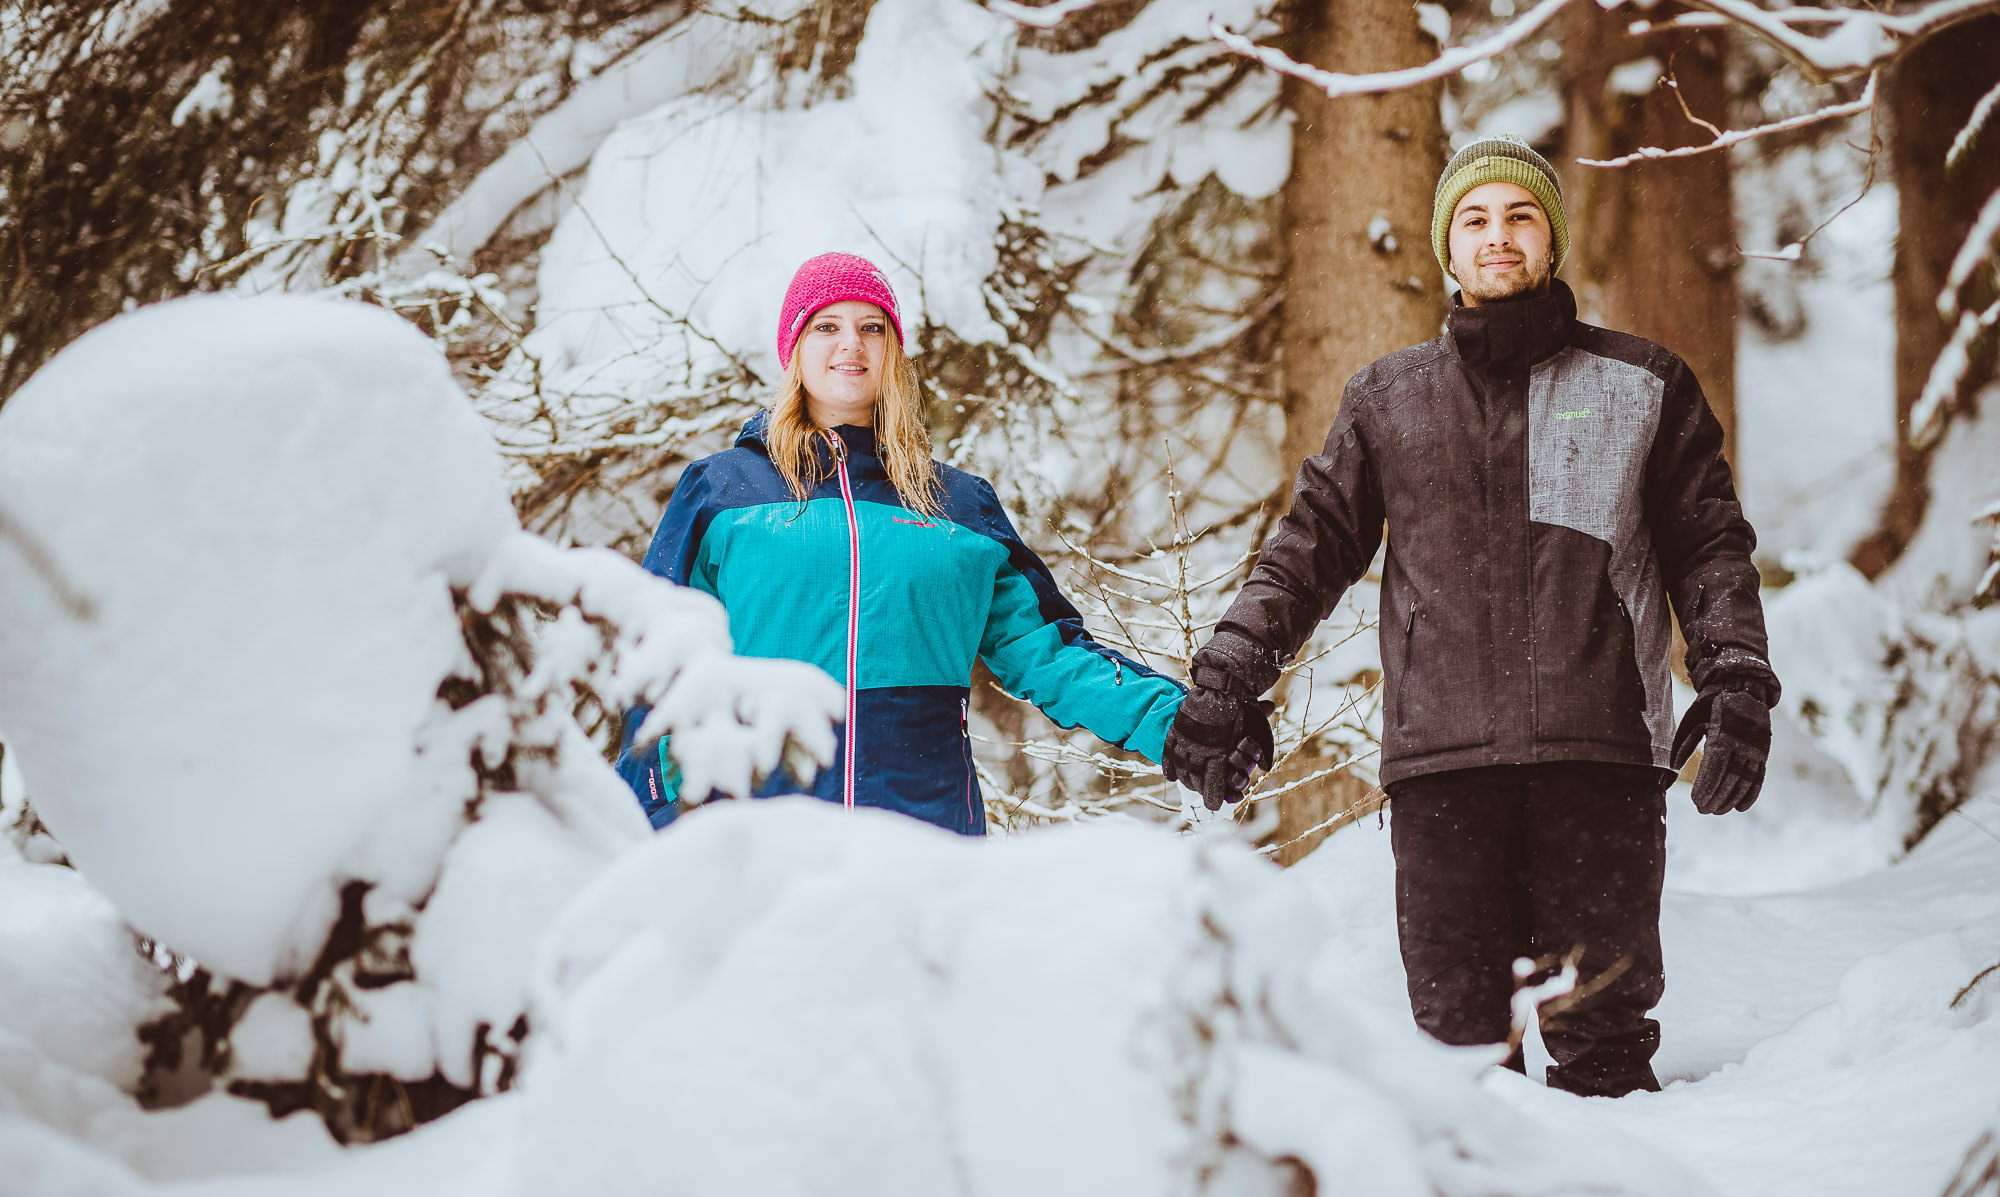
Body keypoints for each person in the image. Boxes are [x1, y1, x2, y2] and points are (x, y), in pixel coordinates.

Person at [1161, 133, 1779, 1097]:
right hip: (1444, 771)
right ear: (1448, 249)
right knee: (1461, 1060)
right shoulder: (1387, 399)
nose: (1498, 235)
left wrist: (1737, 676)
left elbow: (1709, 545)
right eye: (1475, 219)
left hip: (1599, 760)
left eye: (1520, 215)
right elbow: (1308, 550)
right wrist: (1224, 680)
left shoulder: (1643, 385)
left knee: (1603, 1041)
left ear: (1552, 239)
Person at [618, 251, 1184, 835]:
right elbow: (656, 658)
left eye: (871, 328)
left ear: (893, 351)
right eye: (827, 327)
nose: (851, 346)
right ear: (795, 348)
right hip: (758, 846)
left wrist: (1179, 724)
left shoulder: (957, 505)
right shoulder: (723, 491)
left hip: (925, 842)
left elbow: (1050, 655)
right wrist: (659, 810)